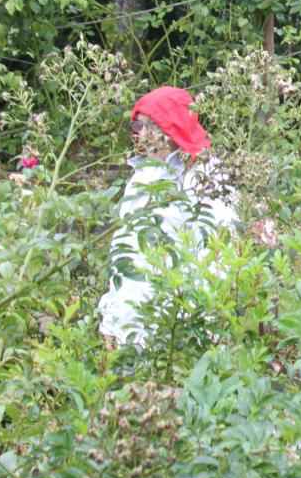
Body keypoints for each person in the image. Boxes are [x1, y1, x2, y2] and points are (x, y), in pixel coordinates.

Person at [97, 86, 238, 347]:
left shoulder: (204, 176)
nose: (144, 135)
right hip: (130, 329)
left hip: (177, 330)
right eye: (139, 126)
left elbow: (218, 257)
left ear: (174, 127)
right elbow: (126, 256)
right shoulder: (142, 175)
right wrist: (111, 319)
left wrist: (191, 328)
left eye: (153, 126)